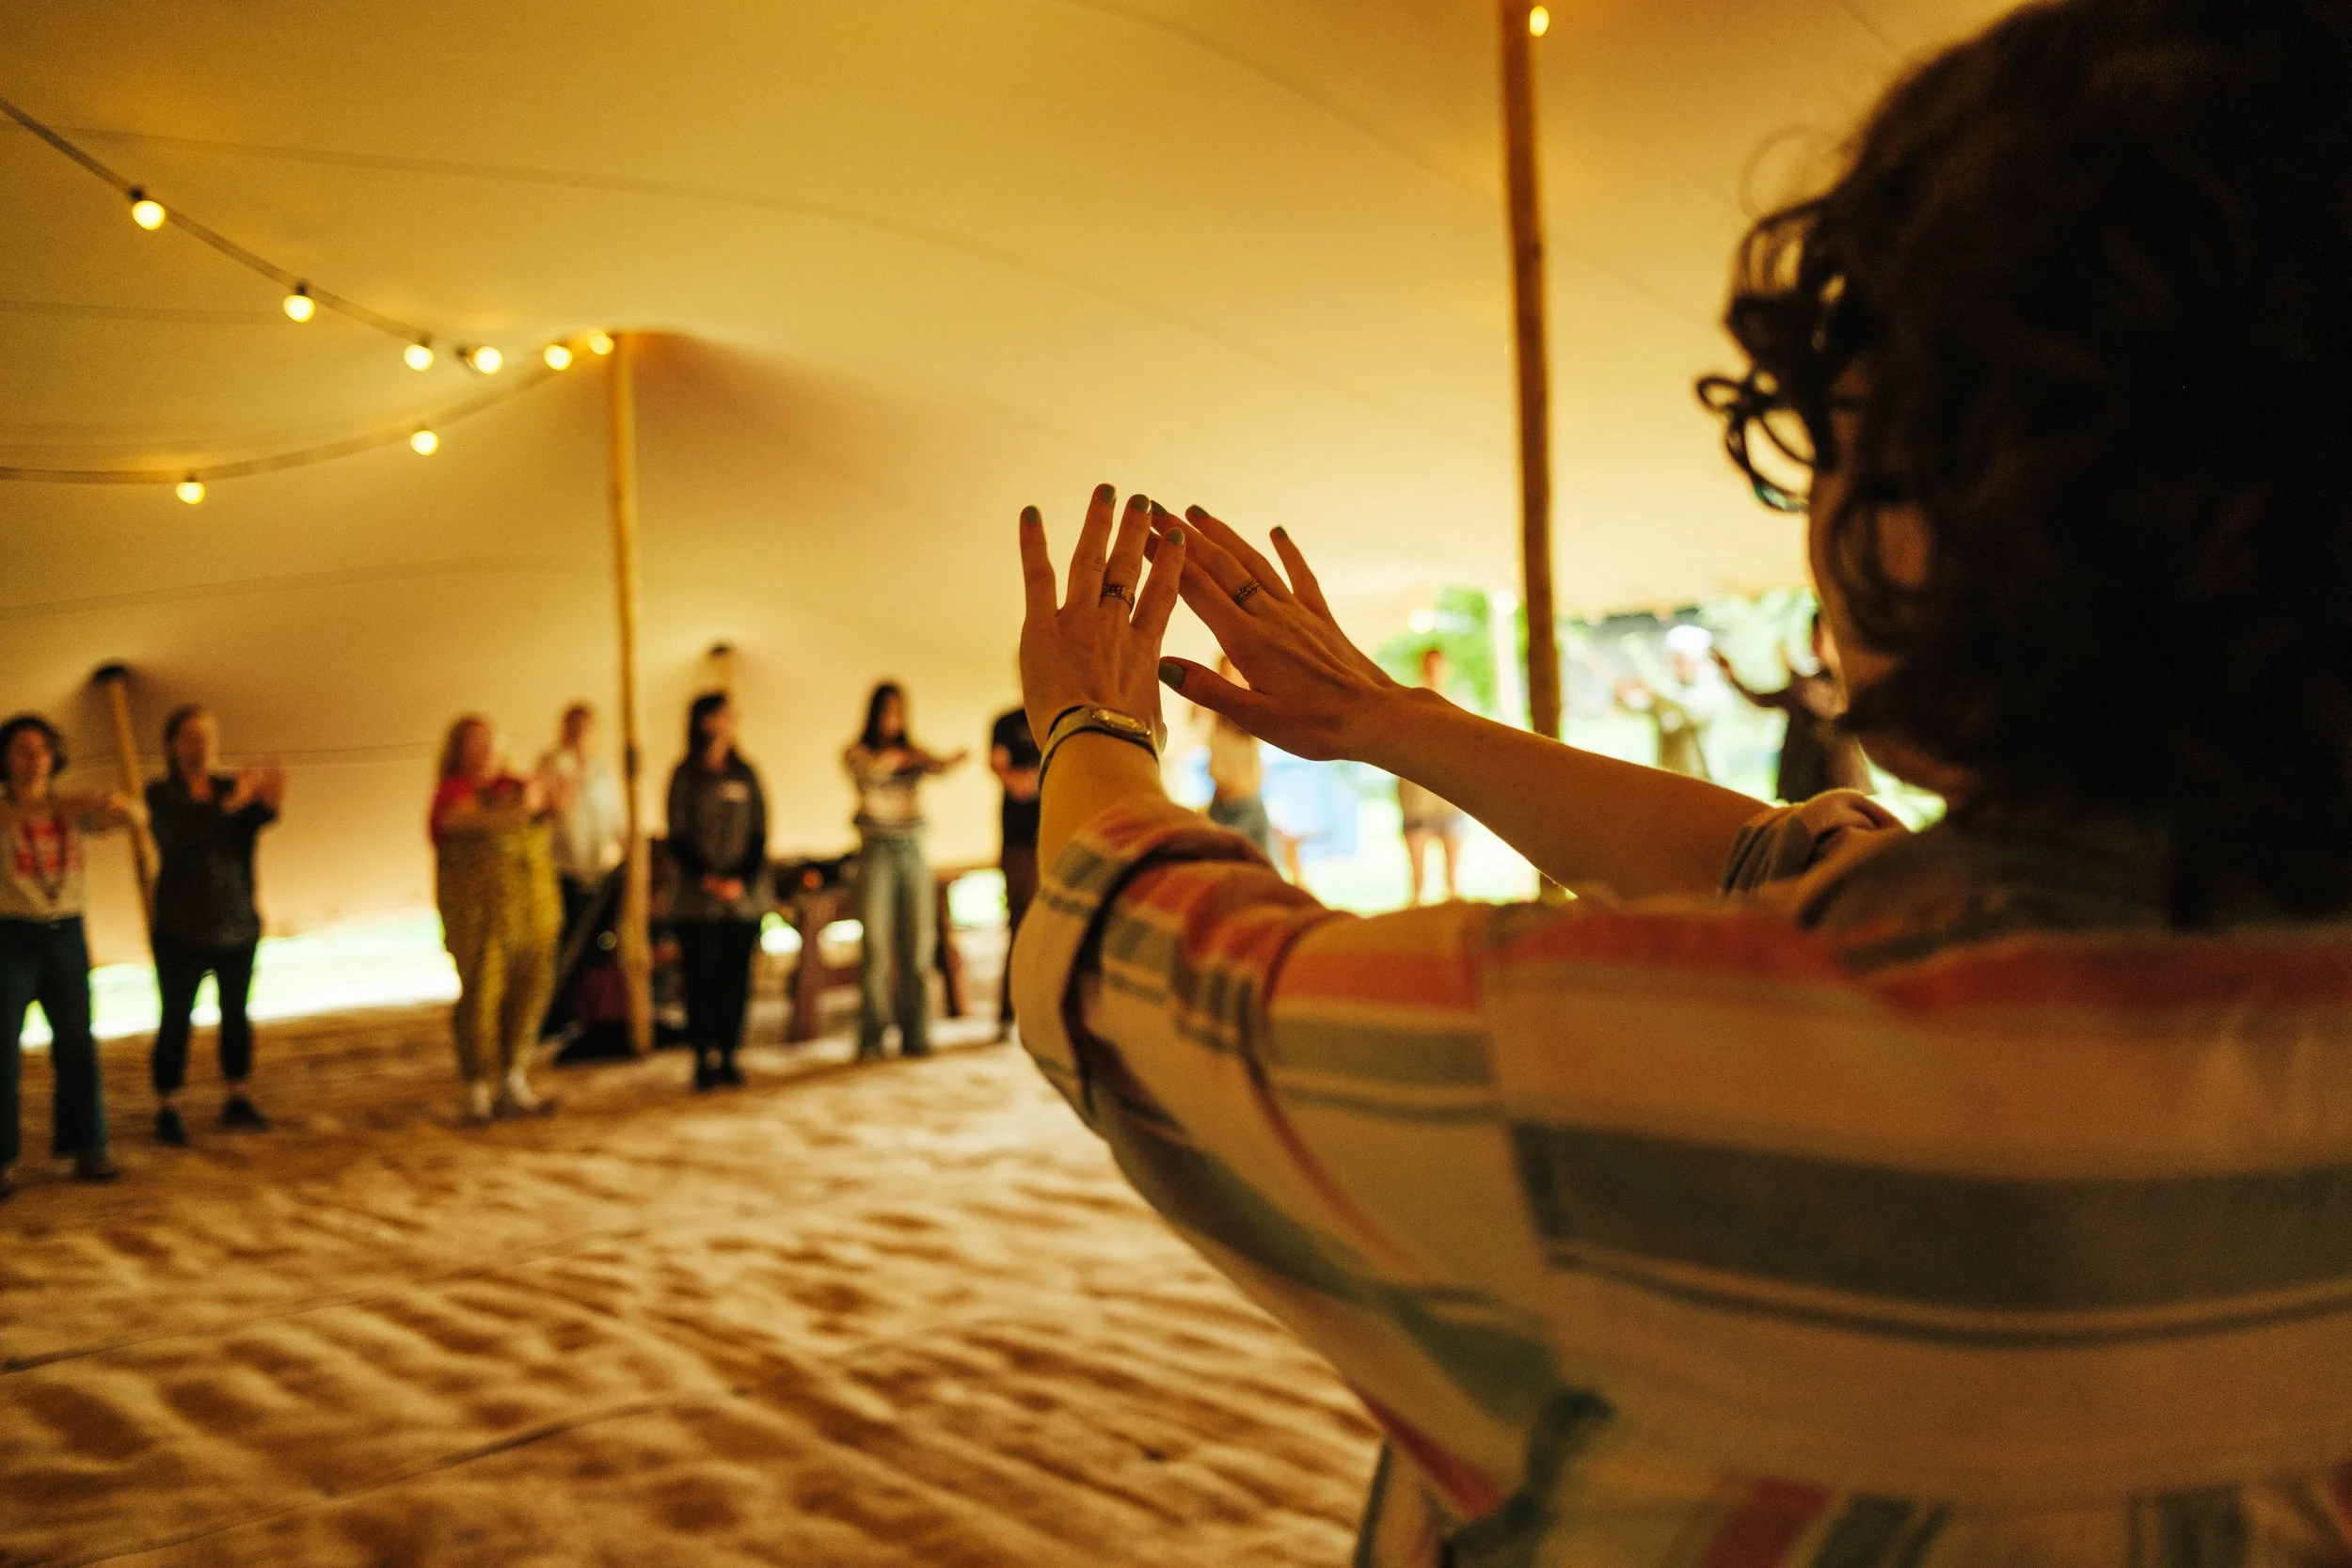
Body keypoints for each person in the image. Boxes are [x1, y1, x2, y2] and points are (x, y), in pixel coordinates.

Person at [1007, 4, 2352, 1552]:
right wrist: (1399, 726)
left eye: (1845, 431)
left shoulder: (1621, 1081)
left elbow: (1145, 973)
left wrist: (1087, 729)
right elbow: (1803, 862)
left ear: (1969, 485)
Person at [0, 714, 132, 1192]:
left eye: (42, 750)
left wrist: (112, 804)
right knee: (2, 1051)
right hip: (10, 937)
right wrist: (64, 805)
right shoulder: (13, 811)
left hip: (66, 936)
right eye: (22, 750)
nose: (34, 759)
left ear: (55, 757)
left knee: (78, 1044)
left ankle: (88, 1145)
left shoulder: (73, 812)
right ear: (6, 760)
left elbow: (133, 815)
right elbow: (14, 815)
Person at [146, 705, 283, 1146]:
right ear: (172, 745)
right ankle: (169, 1106)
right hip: (179, 929)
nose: (201, 744)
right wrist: (236, 803)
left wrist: (269, 800)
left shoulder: (228, 787)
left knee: (236, 1014)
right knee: (176, 1018)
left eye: (207, 734)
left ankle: (237, 1095)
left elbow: (255, 822)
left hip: (236, 922)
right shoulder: (161, 794)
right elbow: (183, 833)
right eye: (190, 736)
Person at [429, 715, 559, 1124]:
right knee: (480, 998)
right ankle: (476, 1089)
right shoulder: (453, 794)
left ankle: (513, 1081)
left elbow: (549, 807)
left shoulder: (514, 787)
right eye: (473, 742)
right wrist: (521, 806)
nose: (483, 749)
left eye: (489, 740)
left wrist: (537, 798)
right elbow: (468, 820)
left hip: (530, 915)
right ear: (457, 750)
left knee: (528, 995)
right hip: (479, 919)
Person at [843, 683, 965, 1060]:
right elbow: (871, 769)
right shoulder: (856, 753)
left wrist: (948, 761)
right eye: (886, 711)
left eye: (897, 711)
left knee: (917, 945)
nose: (892, 719)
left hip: (912, 849)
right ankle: (872, 1037)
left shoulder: (916, 752)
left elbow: (940, 766)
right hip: (876, 849)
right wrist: (905, 760)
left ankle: (916, 1034)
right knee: (876, 946)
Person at [665, 692, 768, 1090]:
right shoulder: (685, 776)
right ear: (705, 721)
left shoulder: (746, 774)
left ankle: (729, 1052)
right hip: (696, 899)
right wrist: (705, 877)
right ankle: (702, 1055)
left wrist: (740, 879)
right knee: (700, 977)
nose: (731, 721)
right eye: (723, 715)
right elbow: (677, 834)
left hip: (741, 898)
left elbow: (759, 832)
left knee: (735, 976)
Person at [1715, 613, 1872, 802]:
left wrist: (1791, 671)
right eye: (1814, 636)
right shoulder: (1805, 683)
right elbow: (1765, 700)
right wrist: (1733, 678)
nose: (1816, 643)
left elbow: (1827, 704)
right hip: (1802, 778)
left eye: (1823, 637)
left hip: (1838, 779)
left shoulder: (1847, 681)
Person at [537, 702, 626, 939]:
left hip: (602, 865)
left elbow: (616, 814)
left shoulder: (604, 769)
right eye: (575, 727)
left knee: (602, 934)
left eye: (585, 728)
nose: (580, 733)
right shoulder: (552, 763)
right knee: (570, 933)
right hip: (564, 866)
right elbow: (553, 806)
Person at [1396, 647, 1469, 904]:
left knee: (1452, 883)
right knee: (1417, 884)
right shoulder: (1409, 703)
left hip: (1448, 802)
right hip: (1418, 804)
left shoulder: (1457, 704)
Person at [1613, 622, 1729, 780]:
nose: (1676, 665)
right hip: (1671, 777)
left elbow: (1693, 712)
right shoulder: (1668, 688)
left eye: (1681, 660)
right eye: (1674, 659)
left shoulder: (1713, 689)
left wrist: (1655, 691)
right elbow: (1639, 707)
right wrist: (1622, 696)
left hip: (1704, 777)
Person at [986, 700, 1041, 1039]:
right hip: (1019, 841)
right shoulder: (1006, 722)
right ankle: (1009, 1013)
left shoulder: (1058, 718)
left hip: (1054, 831)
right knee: (1020, 924)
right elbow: (1002, 771)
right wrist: (1024, 780)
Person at [1203, 656, 1274, 856]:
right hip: (1223, 806)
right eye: (1224, 671)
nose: (1228, 677)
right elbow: (1196, 714)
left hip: (1251, 802)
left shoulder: (1254, 711)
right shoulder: (1211, 711)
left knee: (1264, 876)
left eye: (1233, 671)